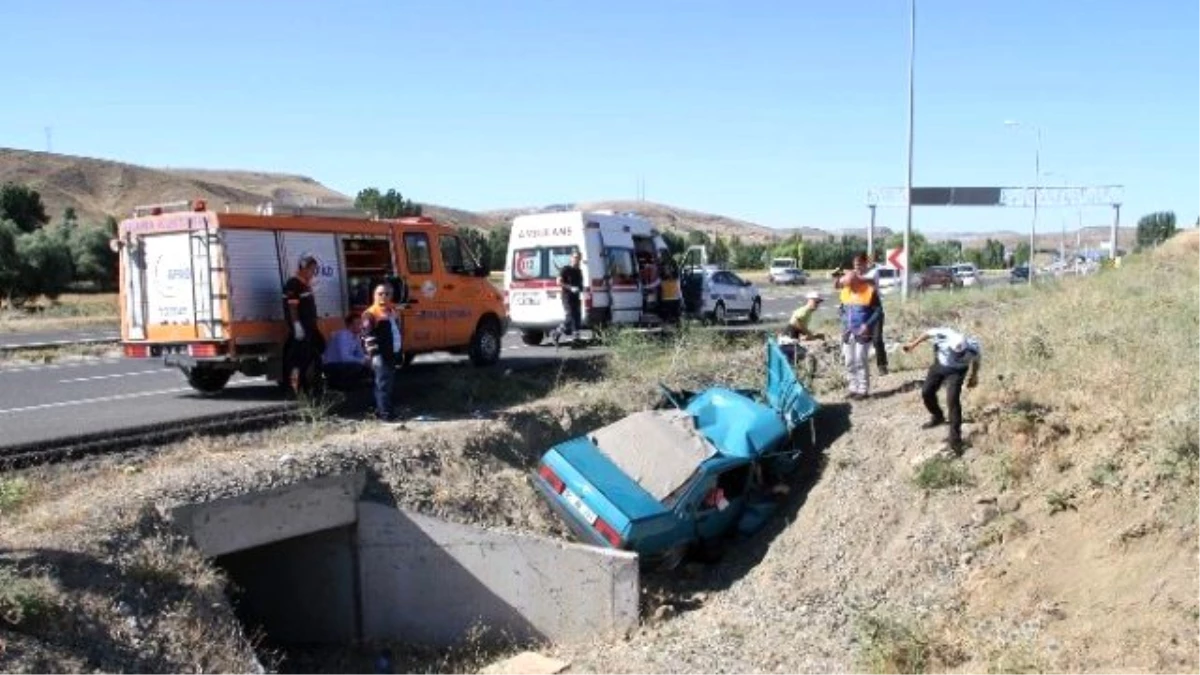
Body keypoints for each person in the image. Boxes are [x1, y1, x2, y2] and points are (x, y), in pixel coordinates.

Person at [902, 326, 982, 454]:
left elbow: (977, 361)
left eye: (960, 354)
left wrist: (974, 376)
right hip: (940, 365)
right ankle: (938, 416)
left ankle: (955, 440)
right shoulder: (945, 335)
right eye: (955, 353)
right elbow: (927, 333)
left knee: (952, 401)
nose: (957, 355)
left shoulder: (973, 347)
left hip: (957, 372)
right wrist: (913, 344)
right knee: (926, 392)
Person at [834, 253, 883, 399]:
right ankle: (853, 387)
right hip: (848, 331)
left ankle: (863, 389)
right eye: (846, 283)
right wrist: (844, 322)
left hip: (862, 331)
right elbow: (841, 309)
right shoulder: (845, 292)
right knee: (849, 360)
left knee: (860, 360)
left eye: (849, 282)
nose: (847, 285)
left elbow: (878, 311)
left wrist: (867, 325)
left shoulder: (869, 292)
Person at [282, 256, 326, 395]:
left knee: (316, 354)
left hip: (310, 327)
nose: (313, 273)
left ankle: (313, 387)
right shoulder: (293, 284)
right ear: (304, 268)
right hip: (301, 328)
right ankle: (297, 388)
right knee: (299, 359)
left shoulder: (305, 284)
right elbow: (292, 307)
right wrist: (296, 325)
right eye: (312, 269)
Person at [361, 283, 403, 422]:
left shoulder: (392, 311)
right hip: (381, 356)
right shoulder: (371, 313)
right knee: (382, 385)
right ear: (374, 296)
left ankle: (384, 411)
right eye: (380, 294)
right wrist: (374, 356)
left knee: (388, 385)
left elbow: (395, 332)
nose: (383, 297)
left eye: (386, 294)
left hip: (391, 354)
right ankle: (385, 415)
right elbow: (368, 336)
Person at [322, 313, 372, 390]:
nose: (361, 326)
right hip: (331, 364)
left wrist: (367, 359)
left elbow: (360, 354)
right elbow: (344, 358)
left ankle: (356, 382)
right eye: (358, 323)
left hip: (344, 363)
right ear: (350, 325)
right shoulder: (343, 336)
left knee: (370, 365)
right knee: (356, 366)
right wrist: (363, 361)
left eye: (361, 323)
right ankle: (336, 383)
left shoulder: (356, 336)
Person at [861, 260, 889, 375]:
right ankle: (862, 369)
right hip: (863, 312)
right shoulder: (858, 276)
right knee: (862, 341)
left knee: (877, 340)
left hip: (876, 311)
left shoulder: (874, 272)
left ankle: (882, 365)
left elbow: (872, 281)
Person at [550, 250, 584, 347]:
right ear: (571, 258)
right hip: (567, 297)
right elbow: (558, 282)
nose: (576, 260)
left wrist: (580, 289)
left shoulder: (579, 271)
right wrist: (570, 287)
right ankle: (556, 333)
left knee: (577, 318)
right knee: (570, 317)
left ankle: (576, 341)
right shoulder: (565, 269)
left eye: (578, 258)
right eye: (575, 257)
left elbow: (580, 284)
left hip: (576, 297)